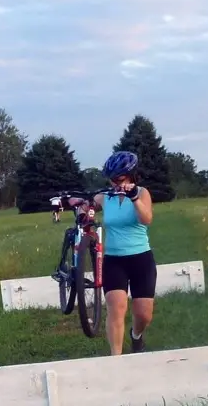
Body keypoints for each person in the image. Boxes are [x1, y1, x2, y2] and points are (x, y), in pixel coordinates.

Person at [63, 151, 156, 355]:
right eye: (111, 179)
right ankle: (116, 361)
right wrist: (78, 205)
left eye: (119, 179)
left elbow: (146, 219)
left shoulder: (142, 193)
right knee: (117, 308)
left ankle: (136, 335)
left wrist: (134, 199)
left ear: (131, 175)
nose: (114, 183)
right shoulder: (106, 197)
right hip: (114, 260)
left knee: (144, 315)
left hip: (141, 258)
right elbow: (88, 206)